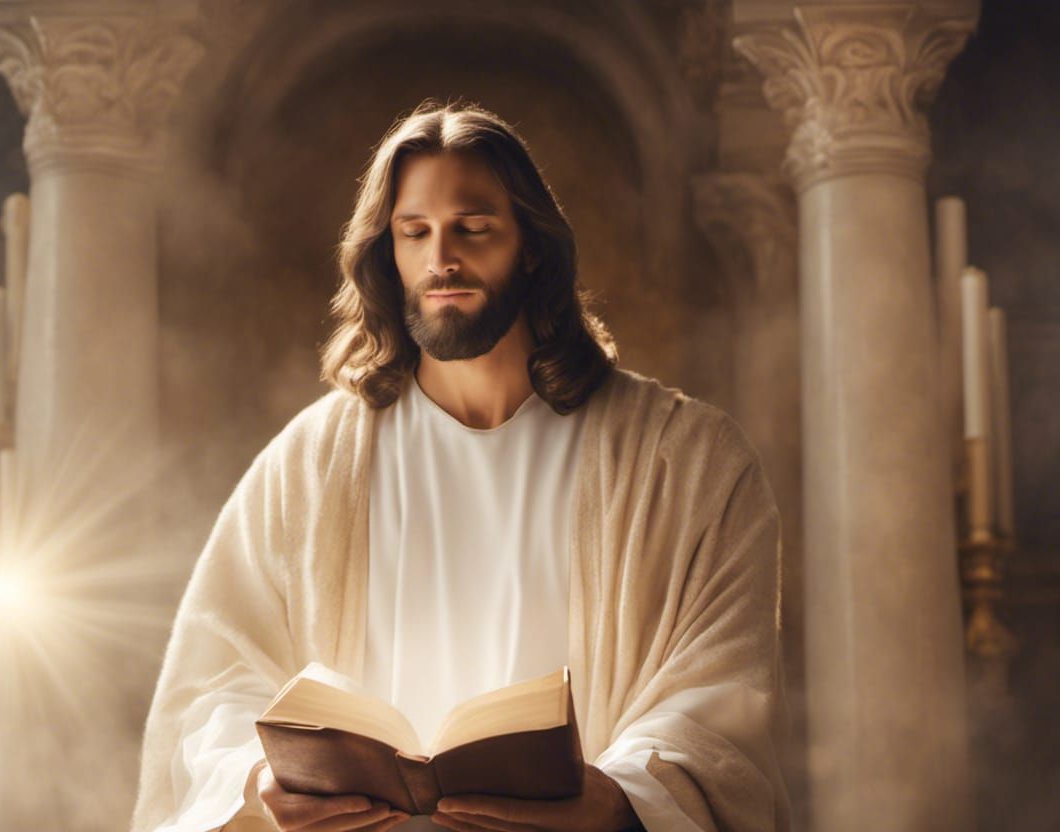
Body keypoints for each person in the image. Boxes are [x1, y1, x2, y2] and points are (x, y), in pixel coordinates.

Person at [131, 100, 791, 832]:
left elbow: (722, 694)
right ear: (389, 252)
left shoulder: (686, 462)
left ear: (532, 245)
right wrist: (259, 779)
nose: (441, 259)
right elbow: (211, 681)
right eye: (415, 233)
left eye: (473, 229)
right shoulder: (311, 469)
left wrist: (620, 799)